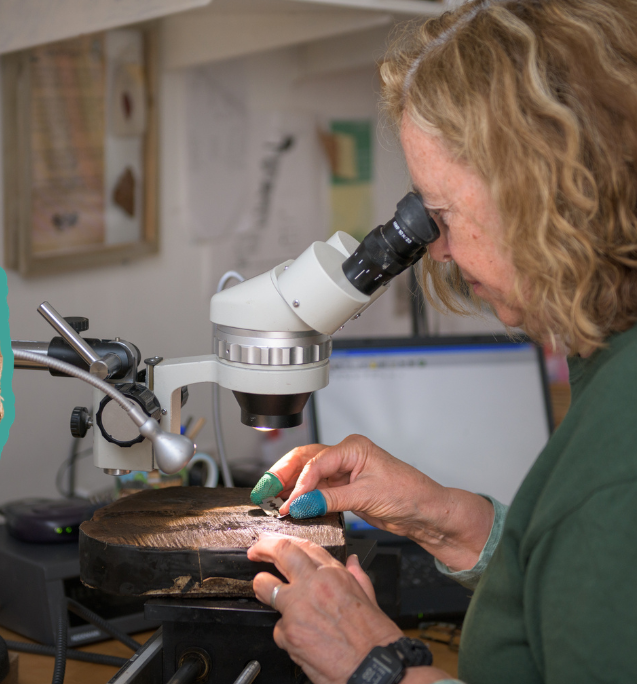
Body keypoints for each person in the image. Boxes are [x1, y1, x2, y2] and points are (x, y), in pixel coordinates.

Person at [246, 0, 637, 682]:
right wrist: (454, 525)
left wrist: (376, 667)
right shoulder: (611, 360)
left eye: (443, 216)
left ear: (543, 195)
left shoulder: (617, 472)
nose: (441, 253)